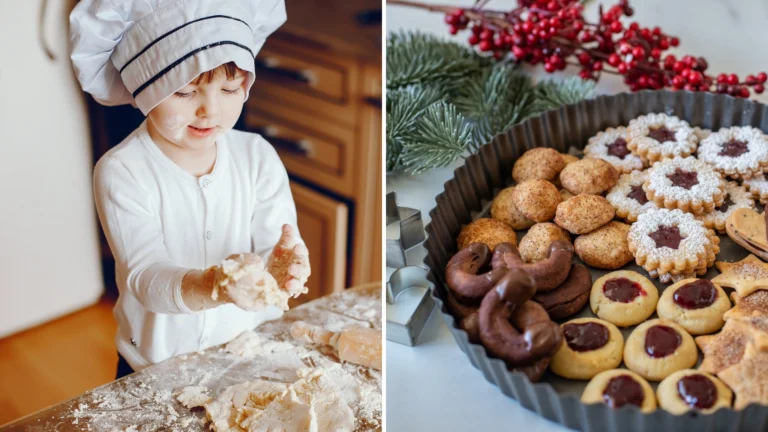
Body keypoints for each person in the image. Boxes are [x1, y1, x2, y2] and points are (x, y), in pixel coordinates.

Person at [69, 0, 310, 379]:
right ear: (143, 88)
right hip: (155, 369)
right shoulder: (122, 172)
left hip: (250, 355)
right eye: (184, 93)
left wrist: (285, 263)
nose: (210, 111)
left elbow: (276, 244)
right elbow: (145, 276)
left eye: (230, 89)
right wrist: (212, 286)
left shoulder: (257, 157)